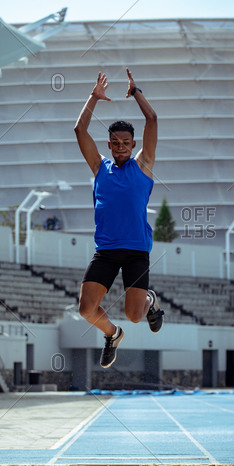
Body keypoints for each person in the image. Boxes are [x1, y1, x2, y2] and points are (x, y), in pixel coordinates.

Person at [74, 68, 164, 369]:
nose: (121, 147)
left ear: (134, 144)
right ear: (109, 144)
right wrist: (93, 97)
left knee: (136, 315)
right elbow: (79, 131)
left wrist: (136, 92)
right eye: (115, 143)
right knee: (87, 309)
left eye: (126, 142)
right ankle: (113, 335)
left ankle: (150, 300)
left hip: (137, 249)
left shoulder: (144, 165)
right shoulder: (100, 167)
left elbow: (152, 120)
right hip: (107, 250)